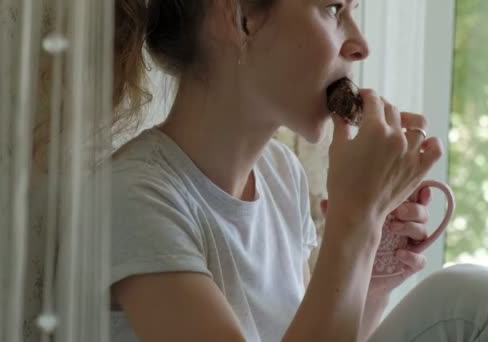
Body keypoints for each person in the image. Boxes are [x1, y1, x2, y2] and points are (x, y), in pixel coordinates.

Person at [109, 0, 488, 341]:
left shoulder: (280, 173)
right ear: (240, 18)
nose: (361, 45)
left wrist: (369, 283)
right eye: (334, 9)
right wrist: (357, 219)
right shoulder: (135, 197)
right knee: (464, 299)